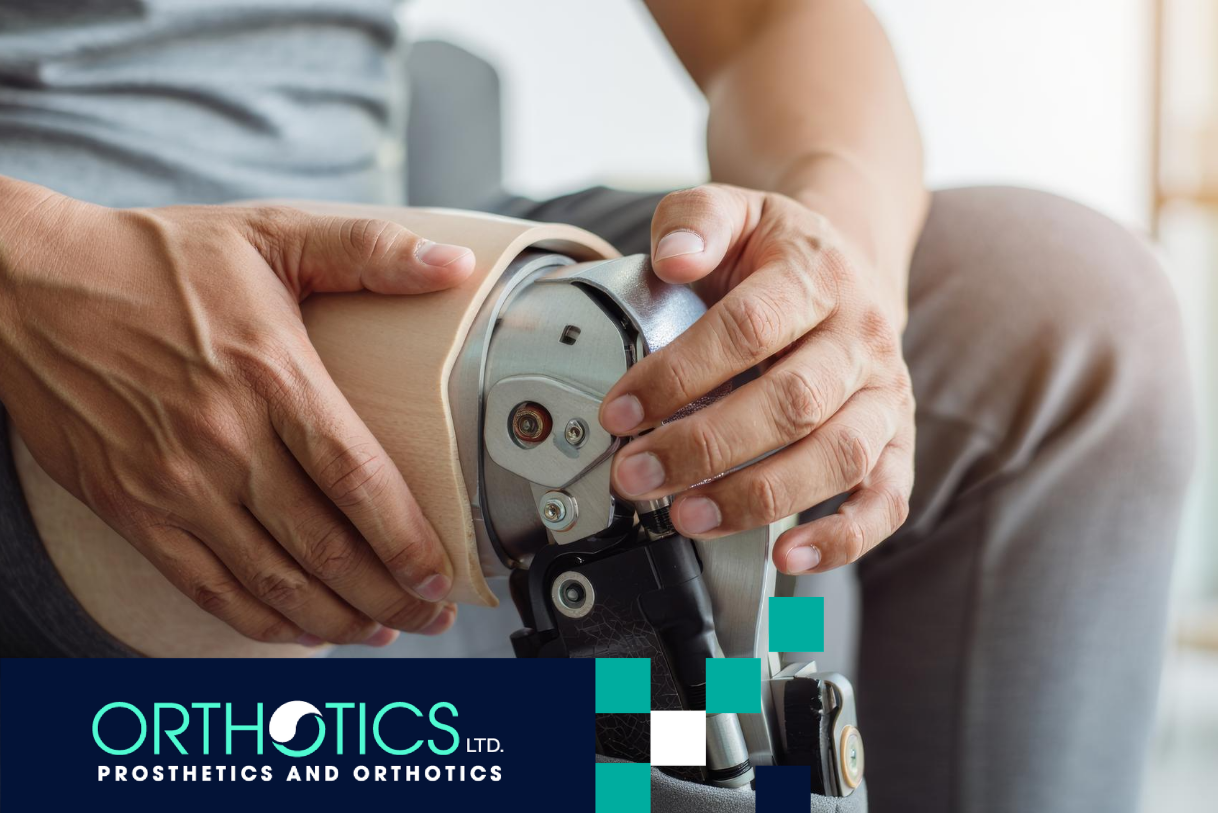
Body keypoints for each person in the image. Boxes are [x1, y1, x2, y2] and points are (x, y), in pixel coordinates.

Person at [0, 2, 1194, 811]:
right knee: (614, 487)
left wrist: (839, 276)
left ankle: (693, 740)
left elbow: (774, 23)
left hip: (361, 274)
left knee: (1057, 322)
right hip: (37, 296)